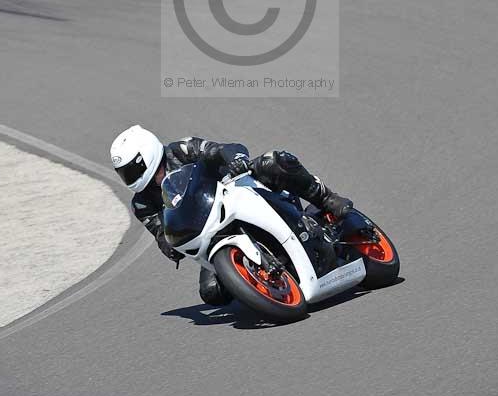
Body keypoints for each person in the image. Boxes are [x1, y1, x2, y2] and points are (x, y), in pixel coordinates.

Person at [110, 125, 352, 306]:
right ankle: (262, 287)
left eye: (131, 169)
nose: (129, 178)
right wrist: (168, 245)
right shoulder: (141, 204)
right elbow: (161, 234)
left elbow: (222, 150)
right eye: (123, 173)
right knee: (211, 292)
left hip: (236, 192)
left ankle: (325, 198)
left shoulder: (182, 150)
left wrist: (235, 160)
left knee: (273, 161)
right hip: (210, 235)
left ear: (147, 155)